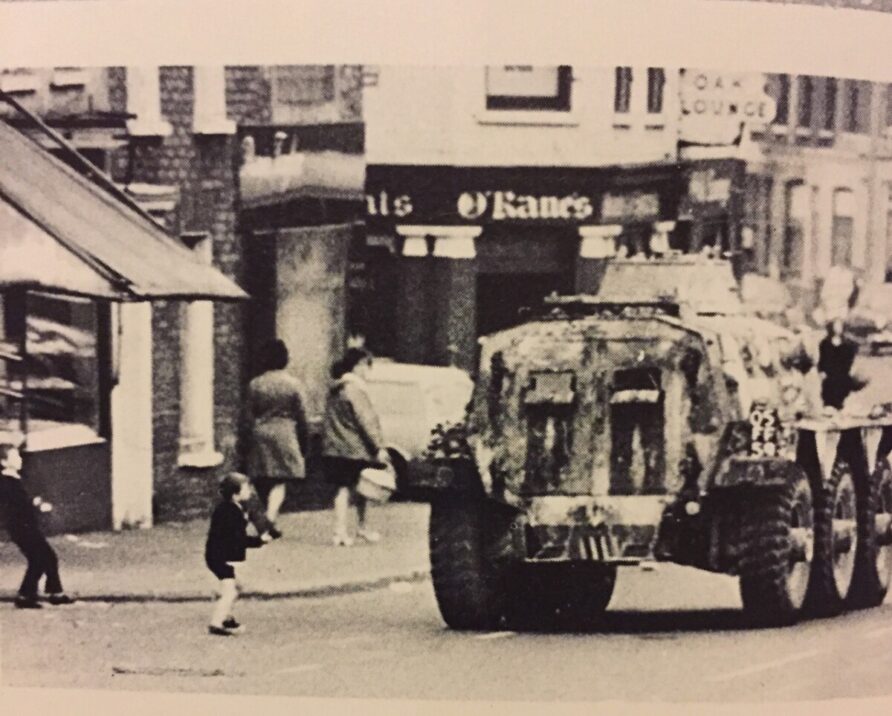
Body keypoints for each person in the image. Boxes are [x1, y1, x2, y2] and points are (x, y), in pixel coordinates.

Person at [322, 347, 389, 547]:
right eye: (368, 366)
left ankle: (344, 531)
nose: (369, 372)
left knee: (346, 488)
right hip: (354, 446)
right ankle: (351, 530)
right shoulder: (355, 389)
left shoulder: (336, 388)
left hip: (335, 445)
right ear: (359, 365)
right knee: (357, 488)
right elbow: (366, 420)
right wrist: (379, 446)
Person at [243, 339, 309, 538]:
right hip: (284, 433)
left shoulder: (255, 384)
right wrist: (304, 440)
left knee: (262, 478)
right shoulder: (294, 384)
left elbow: (248, 413)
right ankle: (268, 522)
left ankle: (269, 524)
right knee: (280, 480)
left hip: (260, 432)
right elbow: (302, 414)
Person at [0, 438, 75, 609]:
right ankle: (28, 595)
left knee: (44, 558)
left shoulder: (14, 479)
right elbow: (15, 505)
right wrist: (35, 504)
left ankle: (53, 593)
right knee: (42, 558)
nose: (19, 459)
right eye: (14, 457)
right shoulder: (6, 482)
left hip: (24, 527)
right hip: (22, 527)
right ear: (4, 462)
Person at [205, 472, 269, 636]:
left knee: (237, 586)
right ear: (236, 494)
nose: (249, 491)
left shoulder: (231, 508)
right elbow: (238, 539)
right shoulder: (231, 512)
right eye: (246, 488)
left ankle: (227, 618)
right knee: (230, 591)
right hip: (221, 558)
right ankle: (216, 623)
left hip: (217, 555)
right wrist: (259, 541)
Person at [818, 318, 859, 410]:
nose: (838, 328)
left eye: (840, 326)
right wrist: (821, 371)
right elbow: (822, 359)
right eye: (836, 326)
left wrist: (850, 369)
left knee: (841, 393)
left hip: (842, 374)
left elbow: (850, 358)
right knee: (828, 395)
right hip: (829, 374)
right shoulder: (825, 343)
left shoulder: (848, 344)